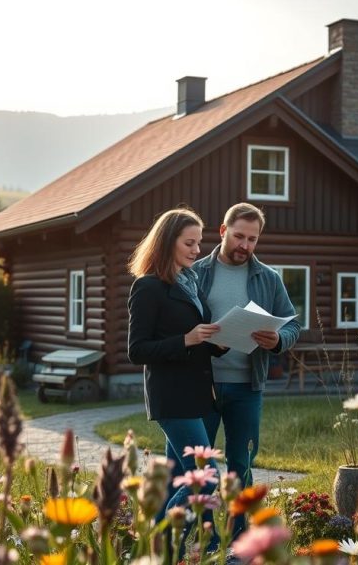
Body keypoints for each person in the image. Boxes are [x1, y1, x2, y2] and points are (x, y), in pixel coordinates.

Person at [192, 202, 301, 535]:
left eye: (252, 239)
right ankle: (204, 537)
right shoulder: (195, 272)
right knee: (199, 468)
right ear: (223, 231)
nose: (245, 245)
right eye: (239, 236)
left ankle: (239, 539)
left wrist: (277, 339)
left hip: (246, 387)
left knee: (241, 466)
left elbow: (293, 326)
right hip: (200, 385)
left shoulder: (268, 278)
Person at [127, 207, 226, 517]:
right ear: (167, 241)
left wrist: (217, 344)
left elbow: (198, 338)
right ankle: (162, 537)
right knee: (206, 479)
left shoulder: (190, 284)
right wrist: (186, 339)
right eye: (189, 243)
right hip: (171, 399)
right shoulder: (147, 287)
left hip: (199, 398)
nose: (197, 251)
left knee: (173, 483)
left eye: (199, 243)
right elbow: (137, 350)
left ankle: (157, 552)